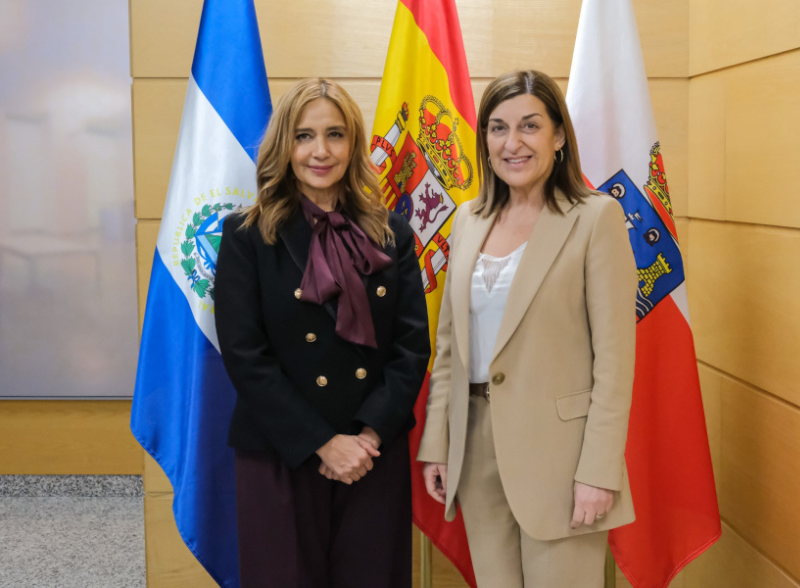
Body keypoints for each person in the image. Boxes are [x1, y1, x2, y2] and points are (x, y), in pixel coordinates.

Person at [417, 70, 637, 587]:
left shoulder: (596, 218)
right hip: (474, 452)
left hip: (562, 460)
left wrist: (599, 471)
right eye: (497, 128)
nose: (512, 143)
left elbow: (615, 361)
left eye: (529, 126)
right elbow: (449, 346)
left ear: (558, 136)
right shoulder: (468, 218)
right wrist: (437, 445)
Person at [215, 78, 430, 588]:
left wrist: (368, 435)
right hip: (281, 450)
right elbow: (246, 355)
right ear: (283, 146)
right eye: (304, 136)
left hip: (371, 452)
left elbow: (411, 346)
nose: (320, 151)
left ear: (353, 143)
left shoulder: (391, 233)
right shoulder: (247, 235)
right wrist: (322, 443)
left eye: (335, 134)